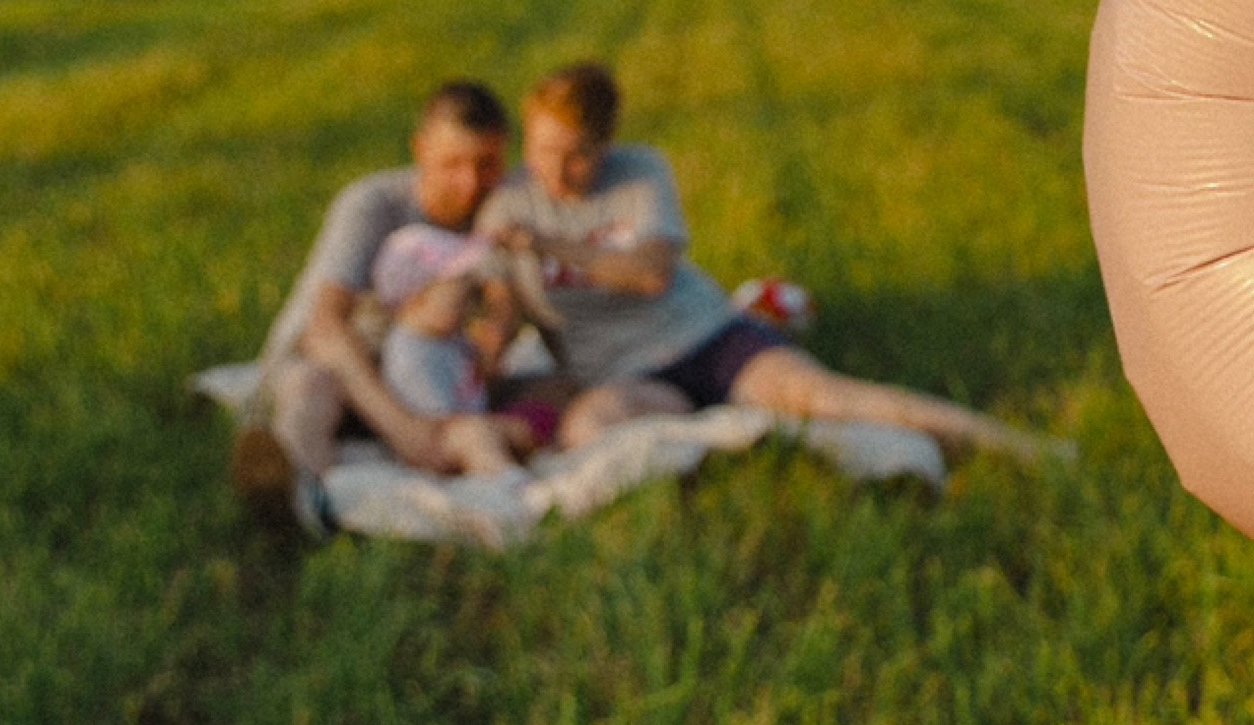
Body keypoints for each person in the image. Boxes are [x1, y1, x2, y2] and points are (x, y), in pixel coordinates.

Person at [481, 63, 1045, 460]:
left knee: (826, 399)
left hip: (709, 337)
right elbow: (502, 316)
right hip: (625, 374)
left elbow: (651, 273)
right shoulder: (510, 203)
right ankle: (718, 431)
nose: (556, 172)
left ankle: (1023, 450)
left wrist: (548, 244)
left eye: (576, 155)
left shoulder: (639, 170)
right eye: (543, 152)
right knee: (588, 430)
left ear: (605, 144)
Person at [231, 79, 516, 531]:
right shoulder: (374, 206)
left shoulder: (502, 212)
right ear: (420, 150)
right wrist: (405, 431)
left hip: (428, 377)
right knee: (310, 387)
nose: (470, 184)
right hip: (338, 367)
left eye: (486, 164)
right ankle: (298, 502)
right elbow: (324, 330)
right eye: (452, 164)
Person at [368, 223, 556, 477]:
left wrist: (488, 359)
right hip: (446, 444)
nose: (468, 301)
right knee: (477, 434)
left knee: (549, 397)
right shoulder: (412, 356)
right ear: (415, 299)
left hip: (477, 420)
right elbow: (441, 431)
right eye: (458, 296)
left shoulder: (448, 336)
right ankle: (504, 480)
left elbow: (476, 382)